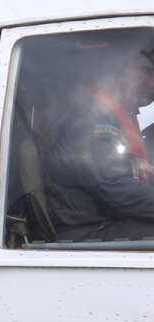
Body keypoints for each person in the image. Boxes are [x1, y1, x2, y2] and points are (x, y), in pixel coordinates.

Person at [42, 48, 154, 242]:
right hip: (86, 228)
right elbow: (112, 186)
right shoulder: (92, 117)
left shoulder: (122, 116)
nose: (152, 83)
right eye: (144, 72)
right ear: (117, 73)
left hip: (108, 219)